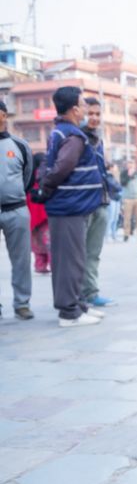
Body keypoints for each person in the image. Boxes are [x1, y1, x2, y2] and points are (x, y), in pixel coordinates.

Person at [38, 87, 104, 327]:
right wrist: (46, 187)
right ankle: (69, 312)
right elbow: (62, 166)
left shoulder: (63, 132)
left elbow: (49, 163)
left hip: (72, 207)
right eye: (83, 105)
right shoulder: (73, 136)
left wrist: (45, 185)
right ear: (75, 109)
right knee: (69, 260)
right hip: (68, 207)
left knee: (74, 258)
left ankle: (77, 305)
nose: (86, 110)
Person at [0, 98, 34, 320]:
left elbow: (28, 177)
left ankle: (22, 303)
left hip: (16, 210)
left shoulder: (20, 145)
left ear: (3, 115)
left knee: (21, 260)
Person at [81, 98, 117, 308]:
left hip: (101, 201)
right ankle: (75, 297)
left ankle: (91, 292)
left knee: (93, 252)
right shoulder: (74, 137)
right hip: (82, 203)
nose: (94, 118)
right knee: (79, 253)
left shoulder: (98, 140)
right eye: (90, 113)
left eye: (97, 114)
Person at [27, 152, 50, 274]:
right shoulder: (47, 175)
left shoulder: (29, 177)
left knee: (37, 241)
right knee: (49, 241)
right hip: (46, 215)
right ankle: (52, 264)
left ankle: (40, 265)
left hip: (33, 216)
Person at [120, 159, 137, 242]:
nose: (130, 166)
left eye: (132, 164)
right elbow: (122, 183)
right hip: (128, 199)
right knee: (127, 218)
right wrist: (129, 176)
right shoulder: (123, 173)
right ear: (126, 165)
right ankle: (126, 235)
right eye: (129, 164)